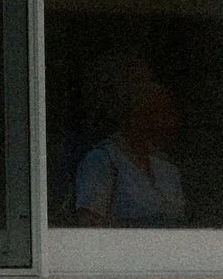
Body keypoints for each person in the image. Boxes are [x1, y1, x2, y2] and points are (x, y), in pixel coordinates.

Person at [71, 49, 186, 226]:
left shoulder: (168, 169)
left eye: (168, 113)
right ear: (131, 115)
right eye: (154, 113)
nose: (165, 122)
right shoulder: (102, 161)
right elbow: (89, 229)